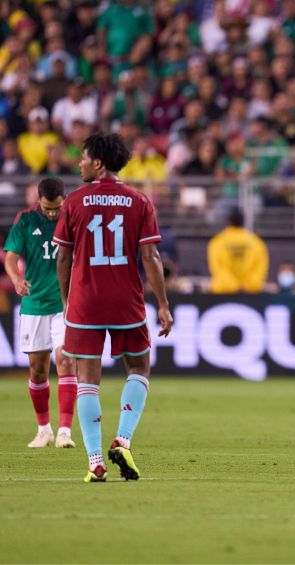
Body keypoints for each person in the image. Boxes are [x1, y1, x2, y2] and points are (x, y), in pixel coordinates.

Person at [54, 133, 173, 482]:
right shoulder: (139, 201)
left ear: (99, 163)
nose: (79, 163)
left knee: (86, 378)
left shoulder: (74, 202)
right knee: (139, 367)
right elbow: (150, 256)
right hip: (126, 301)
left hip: (85, 302)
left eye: (84, 157)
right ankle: (122, 440)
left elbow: (64, 256)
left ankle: (94, 461)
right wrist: (163, 305)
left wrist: (66, 301)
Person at [3, 177, 77, 449]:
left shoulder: (73, 218)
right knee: (37, 370)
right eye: (47, 208)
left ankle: (65, 431)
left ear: (64, 200)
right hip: (34, 304)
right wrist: (15, 279)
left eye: (56, 208)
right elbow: (10, 256)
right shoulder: (25, 220)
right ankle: (44, 429)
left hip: (65, 304)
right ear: (39, 201)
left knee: (66, 361)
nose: (51, 213)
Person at [207, 208, 269, 294]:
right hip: (251, 294)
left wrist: (233, 286)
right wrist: (248, 286)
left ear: (228, 221)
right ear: (243, 222)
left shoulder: (217, 242)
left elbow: (218, 268)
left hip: (223, 293)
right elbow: (260, 269)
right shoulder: (256, 242)